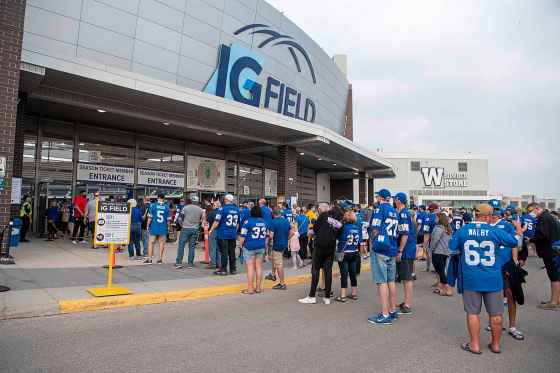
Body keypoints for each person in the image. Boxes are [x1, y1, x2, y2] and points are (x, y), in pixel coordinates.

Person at [448, 203, 522, 355]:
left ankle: (474, 344)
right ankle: (495, 345)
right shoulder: (494, 231)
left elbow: (452, 247)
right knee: (496, 314)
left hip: (471, 277)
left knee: (472, 313)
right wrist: (519, 230)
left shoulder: (463, 230)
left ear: (476, 214)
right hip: (492, 278)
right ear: (487, 216)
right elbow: (515, 242)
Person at [490, 207, 524, 340]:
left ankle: (512, 326)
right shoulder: (485, 227)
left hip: (506, 265)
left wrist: (515, 259)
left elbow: (515, 244)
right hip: (492, 266)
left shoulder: (506, 225)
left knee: (510, 295)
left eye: (495, 214)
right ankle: (494, 322)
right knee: (493, 295)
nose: (493, 216)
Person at [367, 189, 400, 325]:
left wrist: (372, 242)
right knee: (391, 280)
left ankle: (385, 314)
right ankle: (392, 311)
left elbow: (374, 229)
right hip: (392, 246)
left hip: (381, 247)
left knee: (382, 281)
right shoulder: (395, 212)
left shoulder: (379, 209)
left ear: (380, 198)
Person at [299, 203, 341, 305]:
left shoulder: (323, 215)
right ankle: (327, 297)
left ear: (321, 209)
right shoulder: (337, 219)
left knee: (315, 270)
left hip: (320, 247)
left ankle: (312, 296)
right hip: (331, 247)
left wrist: (309, 232)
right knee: (328, 272)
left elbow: (314, 230)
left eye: (318, 209)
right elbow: (339, 232)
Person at [528, 202, 560, 310]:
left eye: (530, 211)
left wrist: (531, 239)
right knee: (555, 276)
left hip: (550, 251)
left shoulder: (544, 218)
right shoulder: (548, 216)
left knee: (554, 277)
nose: (530, 214)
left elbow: (542, 234)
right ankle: (556, 299)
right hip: (553, 249)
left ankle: (553, 302)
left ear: (537, 208)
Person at [394, 192, 417, 315]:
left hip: (406, 250)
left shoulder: (403, 214)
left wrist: (400, 250)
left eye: (395, 199)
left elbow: (404, 234)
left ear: (398, 200)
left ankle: (407, 305)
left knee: (407, 278)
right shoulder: (404, 213)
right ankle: (406, 301)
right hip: (408, 248)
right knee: (405, 278)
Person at [239, 206, 268, 294]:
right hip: (261, 246)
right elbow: (267, 235)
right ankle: (258, 288)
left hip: (249, 247)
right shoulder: (264, 222)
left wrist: (240, 245)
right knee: (259, 267)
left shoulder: (247, 222)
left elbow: (242, 236)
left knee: (250, 268)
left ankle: (250, 289)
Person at [334, 210, 361, 303]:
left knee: (344, 274)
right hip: (354, 252)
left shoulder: (343, 227)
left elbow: (336, 236)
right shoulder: (357, 227)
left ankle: (343, 295)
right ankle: (354, 293)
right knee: (353, 273)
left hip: (344, 253)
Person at [210, 194, 239, 275]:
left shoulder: (222, 209)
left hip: (223, 233)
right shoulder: (237, 209)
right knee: (232, 252)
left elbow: (216, 221)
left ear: (226, 200)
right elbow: (237, 224)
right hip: (232, 234)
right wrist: (234, 231)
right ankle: (233, 269)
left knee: (224, 252)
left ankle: (223, 270)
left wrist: (211, 230)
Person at [175, 199, 205, 269]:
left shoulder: (185, 208)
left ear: (191, 201)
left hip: (185, 228)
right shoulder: (201, 210)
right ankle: (190, 264)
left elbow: (179, 219)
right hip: (195, 229)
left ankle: (179, 263)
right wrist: (198, 225)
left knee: (181, 245)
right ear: (197, 202)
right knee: (192, 247)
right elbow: (202, 219)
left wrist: (182, 225)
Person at [430, 212, 453, 296]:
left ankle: (448, 288)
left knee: (440, 271)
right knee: (441, 270)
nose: (435, 219)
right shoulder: (448, 228)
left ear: (439, 219)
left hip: (438, 252)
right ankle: (441, 288)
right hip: (445, 252)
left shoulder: (439, 228)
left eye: (436, 217)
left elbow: (435, 240)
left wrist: (430, 250)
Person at [266, 209, 290, 289]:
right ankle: (273, 275)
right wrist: (287, 238)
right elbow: (292, 231)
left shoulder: (273, 222)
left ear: (273, 214)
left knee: (279, 264)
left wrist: (267, 237)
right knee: (274, 259)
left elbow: (271, 236)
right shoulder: (286, 221)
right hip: (284, 244)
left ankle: (282, 283)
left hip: (277, 245)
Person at [144, 193, 170, 264]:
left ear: (157, 198)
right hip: (163, 227)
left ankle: (149, 259)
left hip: (154, 227)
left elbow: (150, 218)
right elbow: (168, 220)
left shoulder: (153, 206)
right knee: (161, 243)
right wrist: (168, 228)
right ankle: (160, 259)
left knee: (151, 243)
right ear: (163, 198)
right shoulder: (167, 207)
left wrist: (147, 226)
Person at [422, 203, 439, 272]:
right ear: (436, 209)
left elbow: (426, 232)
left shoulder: (428, 218)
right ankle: (436, 268)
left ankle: (428, 267)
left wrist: (424, 243)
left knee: (429, 252)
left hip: (432, 239)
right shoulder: (441, 216)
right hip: (441, 239)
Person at [206, 200, 220, 270]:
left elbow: (207, 220)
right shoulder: (222, 212)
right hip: (221, 231)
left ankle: (213, 263)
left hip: (213, 230)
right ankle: (218, 263)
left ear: (214, 206)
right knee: (218, 248)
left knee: (212, 248)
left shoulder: (211, 212)